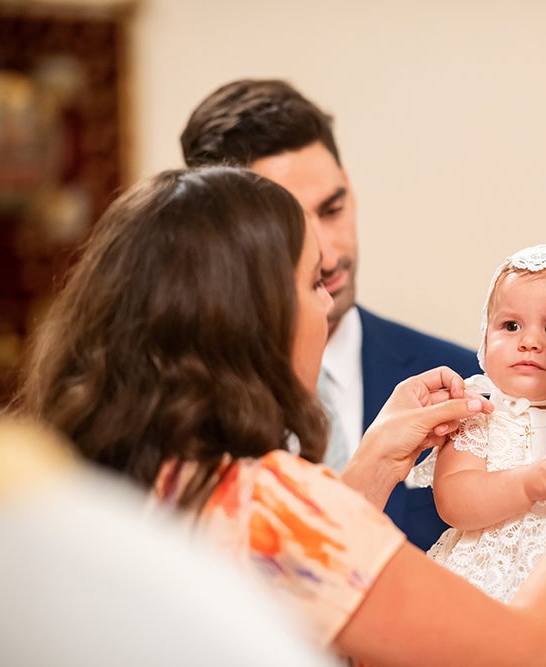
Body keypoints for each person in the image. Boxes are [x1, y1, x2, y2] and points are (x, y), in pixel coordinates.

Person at [18, 165, 546, 665]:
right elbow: (532, 651)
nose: (329, 303)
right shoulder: (270, 505)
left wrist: (374, 460)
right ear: (254, 319)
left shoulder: (100, 482)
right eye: (314, 283)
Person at [0, 27, 331, 667]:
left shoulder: (88, 474)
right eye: (308, 276)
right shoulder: (38, 529)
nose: (328, 290)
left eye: (336, 205)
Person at [180, 79, 481, 550]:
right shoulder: (178, 407)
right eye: (291, 225)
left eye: (333, 208)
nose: (326, 252)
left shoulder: (469, 378)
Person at [408, 242, 546, 602]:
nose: (529, 341)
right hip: (485, 580)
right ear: (484, 334)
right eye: (511, 325)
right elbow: (453, 501)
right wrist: (525, 485)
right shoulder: (479, 415)